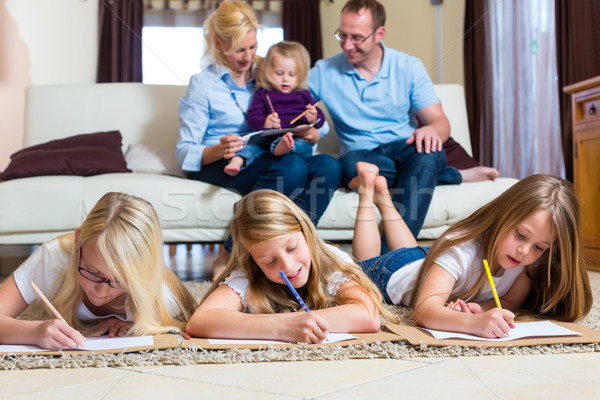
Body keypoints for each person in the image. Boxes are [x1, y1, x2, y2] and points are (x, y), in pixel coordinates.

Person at [177, 1, 341, 279]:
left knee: (329, 166)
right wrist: (220, 148)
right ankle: (231, 254)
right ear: (218, 42)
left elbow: (302, 105)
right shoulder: (202, 84)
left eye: (252, 47)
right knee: (292, 167)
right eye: (239, 49)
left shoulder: (270, 72)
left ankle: (299, 248)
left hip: (273, 153)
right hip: (224, 162)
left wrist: (315, 131)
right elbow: (185, 153)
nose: (248, 57)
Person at [308, 0, 499, 239]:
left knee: (430, 153)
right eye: (342, 35)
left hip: (404, 147)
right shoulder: (323, 72)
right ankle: (449, 176)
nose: (347, 45)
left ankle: (392, 255)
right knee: (352, 167)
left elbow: (440, 122)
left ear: (379, 33)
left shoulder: (408, 67)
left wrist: (432, 130)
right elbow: (287, 97)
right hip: (361, 153)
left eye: (357, 37)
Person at [351, 162, 592, 338]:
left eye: (539, 247)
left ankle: (383, 199)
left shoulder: (529, 265)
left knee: (411, 251)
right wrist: (472, 323)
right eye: (520, 235)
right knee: (366, 264)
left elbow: (507, 301)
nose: (524, 252)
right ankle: (366, 193)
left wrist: (479, 309)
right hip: (394, 272)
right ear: (503, 214)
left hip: (429, 262)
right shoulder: (461, 248)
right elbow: (424, 311)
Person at [185, 189, 397, 343]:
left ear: (305, 234)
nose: (287, 266)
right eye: (269, 261)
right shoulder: (248, 276)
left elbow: (368, 317)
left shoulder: (330, 262)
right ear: (253, 261)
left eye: (292, 248)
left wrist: (299, 321)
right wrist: (282, 327)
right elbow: (200, 320)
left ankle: (371, 191)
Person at [0, 192, 197, 350]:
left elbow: (189, 327)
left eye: (120, 281)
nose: (101, 292)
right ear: (78, 241)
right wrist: (33, 332)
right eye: (91, 272)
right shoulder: (53, 259)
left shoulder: (162, 295)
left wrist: (139, 326)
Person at [225, 41, 324, 176]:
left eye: (291, 74)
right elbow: (253, 117)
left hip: (294, 137)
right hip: (269, 136)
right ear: (268, 71)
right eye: (279, 73)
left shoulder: (303, 94)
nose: (285, 79)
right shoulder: (263, 93)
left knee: (304, 147)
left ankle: (283, 148)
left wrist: (314, 117)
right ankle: (237, 160)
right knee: (254, 144)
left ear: (300, 75)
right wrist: (265, 122)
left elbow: (320, 117)